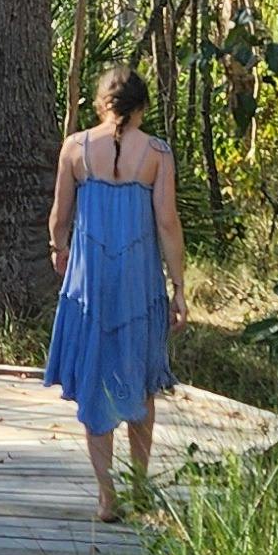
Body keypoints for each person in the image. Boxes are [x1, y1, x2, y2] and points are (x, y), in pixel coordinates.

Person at [43, 66, 182, 523]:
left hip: (91, 281)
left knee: (93, 377)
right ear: (142, 107)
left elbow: (59, 216)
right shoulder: (158, 154)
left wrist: (59, 250)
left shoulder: (75, 148)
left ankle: (107, 496)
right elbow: (167, 223)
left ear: (101, 104)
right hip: (139, 283)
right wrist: (179, 286)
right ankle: (139, 487)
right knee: (140, 380)